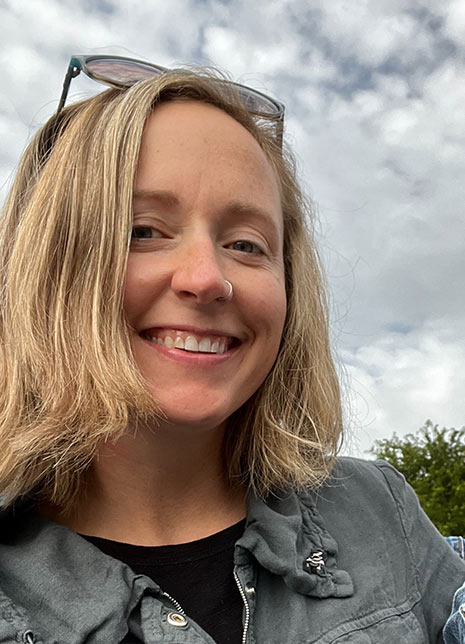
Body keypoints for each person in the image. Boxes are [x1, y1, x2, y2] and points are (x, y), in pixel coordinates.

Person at [0, 54, 463, 644]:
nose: (207, 278)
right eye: (142, 230)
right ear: (46, 264)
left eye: (246, 244)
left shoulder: (382, 513)